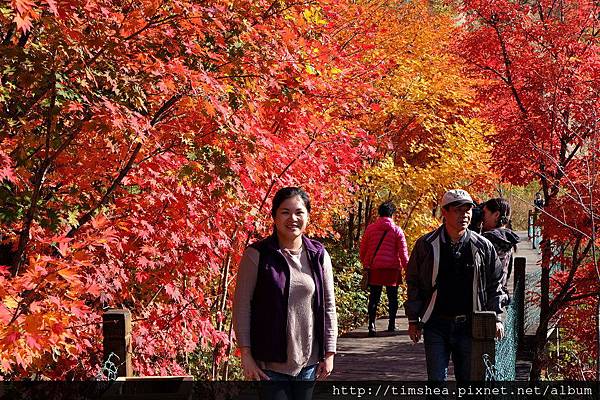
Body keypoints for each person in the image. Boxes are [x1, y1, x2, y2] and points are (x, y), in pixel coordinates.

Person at [233, 187, 337, 400]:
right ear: (274, 216)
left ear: (308, 215)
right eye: (285, 212)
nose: (293, 218)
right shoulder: (257, 255)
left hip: (308, 363)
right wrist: (246, 354)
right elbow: (242, 305)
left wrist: (329, 352)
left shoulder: (318, 255)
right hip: (269, 365)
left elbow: (328, 306)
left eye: (299, 212)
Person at [405, 189, 506, 382]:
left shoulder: (483, 246)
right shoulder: (426, 245)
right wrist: (413, 319)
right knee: (436, 384)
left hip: (470, 325)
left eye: (468, 209)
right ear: (445, 212)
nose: (465, 215)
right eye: (458, 210)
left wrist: (497, 317)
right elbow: (414, 282)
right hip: (436, 323)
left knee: (468, 384)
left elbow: (496, 283)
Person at [359, 201, 409, 337]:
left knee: (374, 298)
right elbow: (403, 253)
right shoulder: (397, 230)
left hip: (375, 267)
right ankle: (391, 324)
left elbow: (363, 248)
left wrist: (365, 262)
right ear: (392, 214)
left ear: (379, 213)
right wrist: (408, 270)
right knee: (392, 298)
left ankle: (371, 325)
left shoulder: (371, 229)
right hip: (392, 269)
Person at [481, 198, 520, 291]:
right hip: (500, 293)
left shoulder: (489, 238)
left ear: (496, 214)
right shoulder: (507, 237)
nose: (482, 217)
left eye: (484, 213)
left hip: (486, 295)